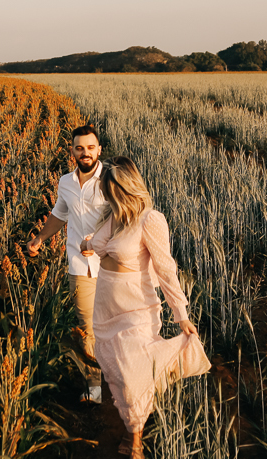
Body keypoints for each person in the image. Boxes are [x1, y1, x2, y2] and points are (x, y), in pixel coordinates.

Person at [87, 156, 210, 458]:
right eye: (107, 191)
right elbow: (96, 246)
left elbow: (166, 270)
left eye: (113, 191)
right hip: (106, 308)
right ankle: (135, 423)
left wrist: (181, 315)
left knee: (131, 373)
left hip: (136, 308)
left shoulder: (150, 220)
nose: (109, 197)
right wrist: (88, 242)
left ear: (128, 188)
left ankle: (136, 441)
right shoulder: (114, 217)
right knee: (116, 372)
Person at [27, 124, 106, 402]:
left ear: (99, 149)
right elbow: (59, 215)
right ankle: (94, 388)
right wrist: (40, 238)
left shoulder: (112, 179)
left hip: (112, 264)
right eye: (80, 148)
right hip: (78, 266)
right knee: (86, 327)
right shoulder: (66, 183)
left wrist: (98, 241)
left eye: (91, 147)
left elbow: (126, 217)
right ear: (72, 151)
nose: (86, 153)